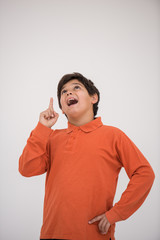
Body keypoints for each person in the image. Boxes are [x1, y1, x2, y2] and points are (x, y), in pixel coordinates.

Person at [19, 72, 155, 240]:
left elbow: (145, 174)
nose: (68, 92)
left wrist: (117, 213)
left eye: (76, 88)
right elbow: (27, 169)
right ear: (62, 108)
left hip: (94, 234)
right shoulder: (51, 137)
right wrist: (42, 128)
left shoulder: (113, 135)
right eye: (63, 91)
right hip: (52, 233)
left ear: (93, 98)